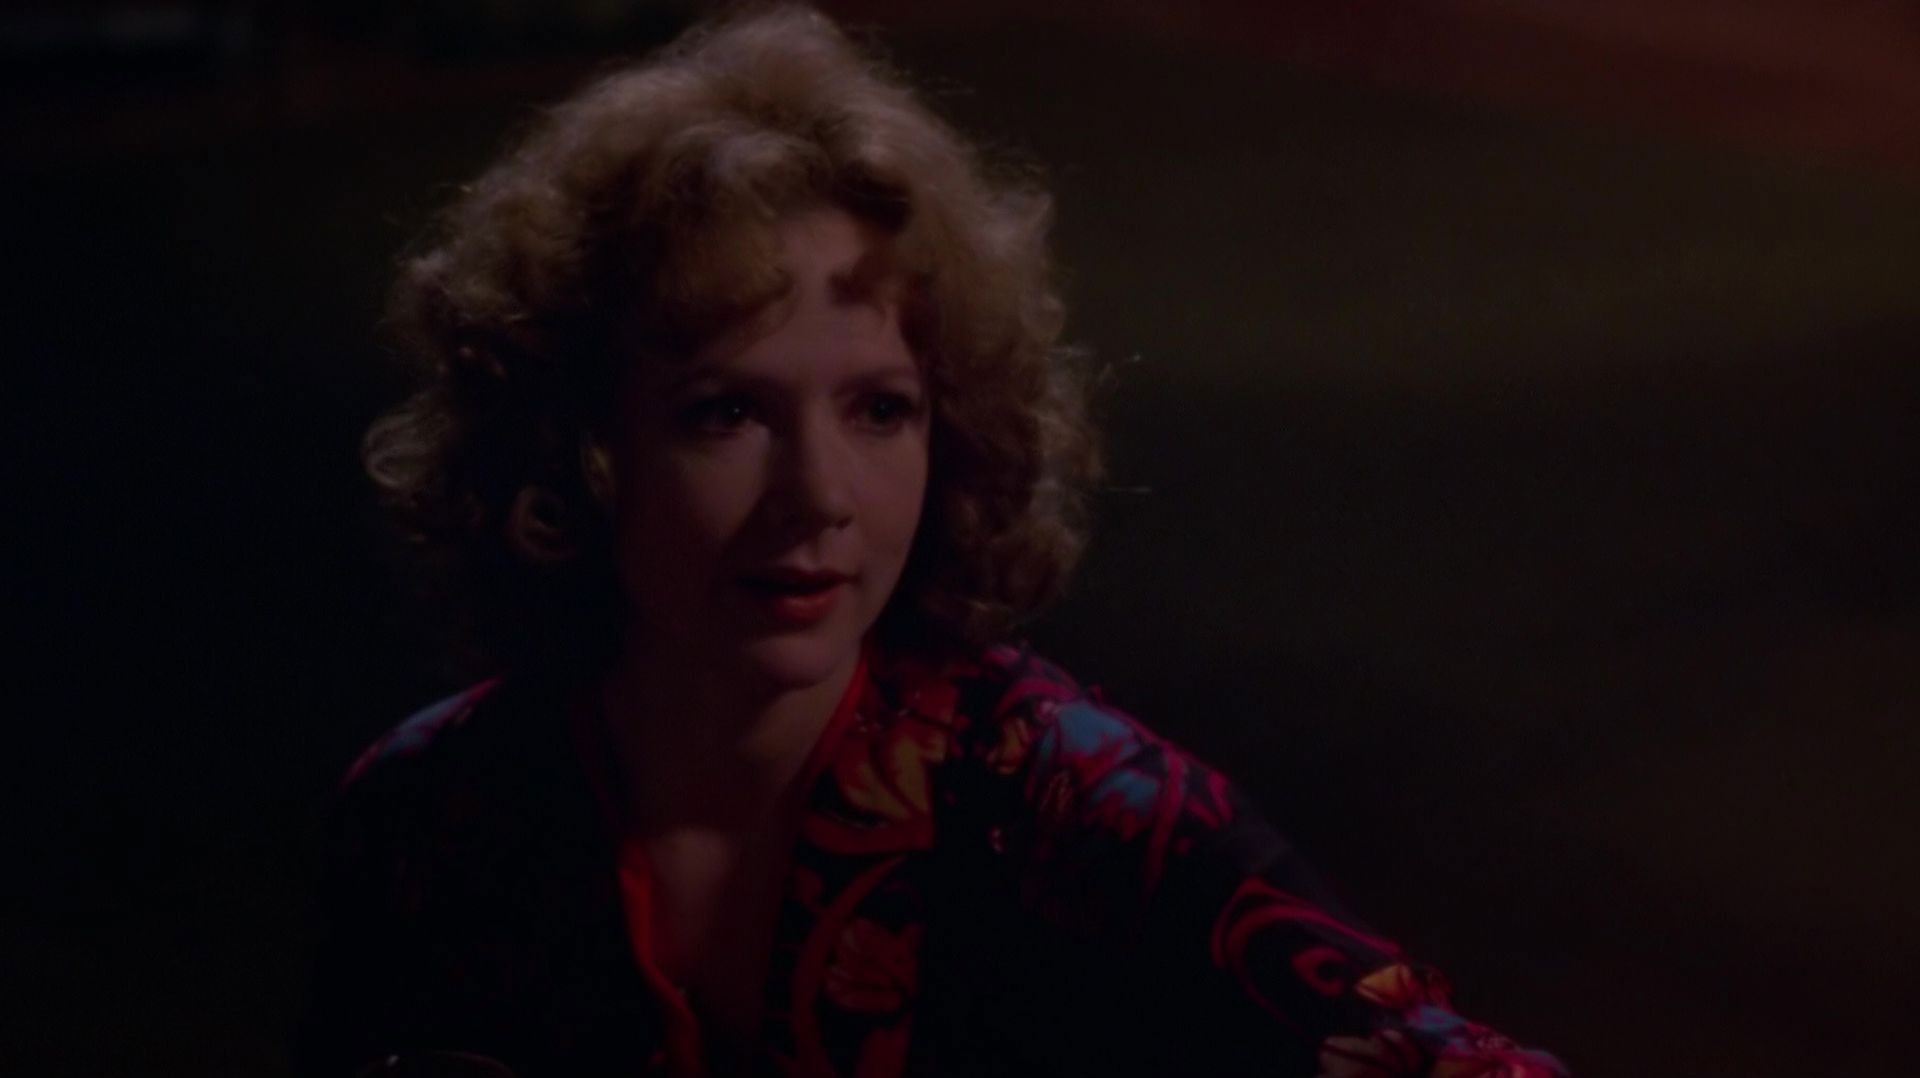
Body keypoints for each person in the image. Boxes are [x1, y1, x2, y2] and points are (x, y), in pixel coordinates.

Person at [306, 6, 1568, 1076]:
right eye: (725, 412)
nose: (819, 495)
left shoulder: (1071, 808)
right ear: (579, 445)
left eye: (879, 410)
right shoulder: (432, 813)